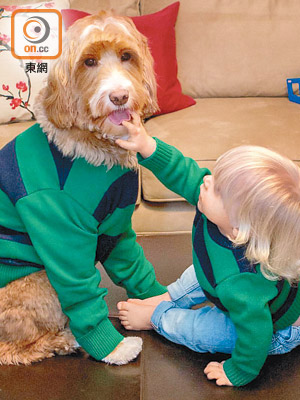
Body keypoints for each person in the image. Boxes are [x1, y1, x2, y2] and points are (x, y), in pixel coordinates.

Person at [115, 114, 300, 387]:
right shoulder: (216, 206)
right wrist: (146, 145)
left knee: (202, 329)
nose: (206, 181)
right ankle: (170, 297)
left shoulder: (240, 283)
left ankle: (158, 317)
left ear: (239, 229)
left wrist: (239, 371)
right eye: (216, 176)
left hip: (274, 330)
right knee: (198, 273)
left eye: (219, 189)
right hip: (227, 283)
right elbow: (182, 171)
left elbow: (256, 333)